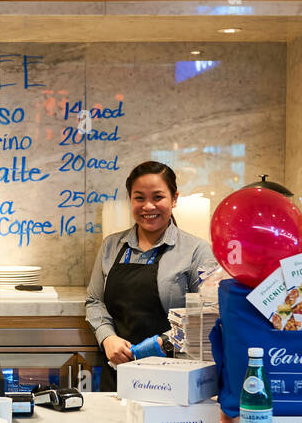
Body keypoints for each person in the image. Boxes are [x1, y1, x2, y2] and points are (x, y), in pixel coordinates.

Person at [85, 161, 216, 392]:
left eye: (157, 197)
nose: (148, 206)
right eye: (139, 198)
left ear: (174, 199)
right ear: (130, 200)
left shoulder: (196, 251)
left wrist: (164, 342)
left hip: (173, 372)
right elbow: (94, 301)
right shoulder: (111, 246)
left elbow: (207, 314)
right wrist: (108, 338)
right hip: (116, 367)